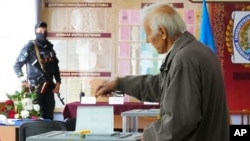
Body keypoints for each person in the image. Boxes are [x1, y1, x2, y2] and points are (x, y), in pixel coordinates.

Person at [95, 3, 229, 141]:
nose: (147, 40)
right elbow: (160, 86)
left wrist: (149, 136)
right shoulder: (195, 51)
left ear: (162, 32)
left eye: (148, 34)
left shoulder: (184, 59)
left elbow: (181, 121)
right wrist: (119, 83)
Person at [13, 21, 61, 120]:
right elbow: (17, 66)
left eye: (44, 31)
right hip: (35, 87)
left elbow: (55, 66)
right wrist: (23, 81)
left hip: (49, 86)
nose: (42, 33)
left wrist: (58, 81)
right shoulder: (30, 46)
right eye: (40, 31)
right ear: (35, 32)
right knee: (35, 114)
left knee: (49, 112)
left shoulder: (49, 47)